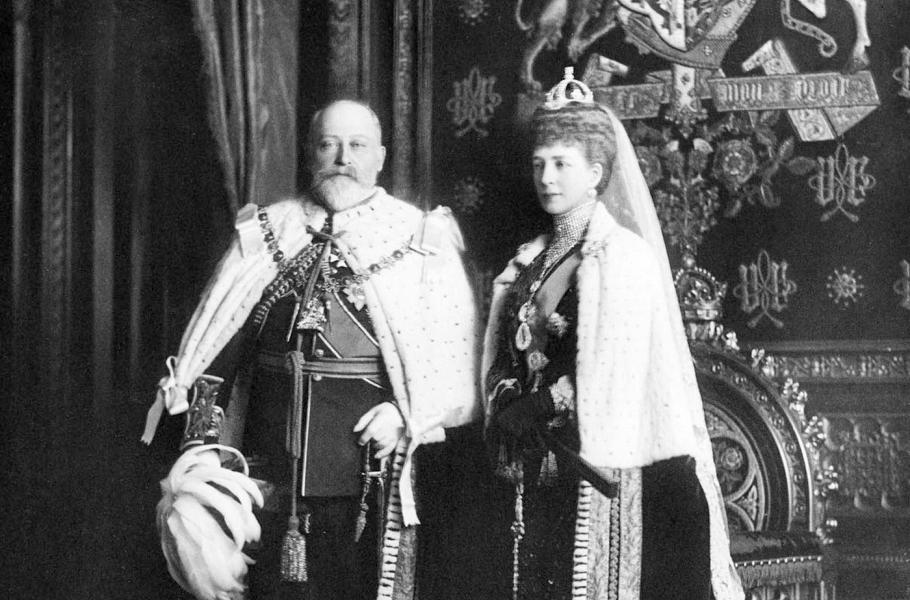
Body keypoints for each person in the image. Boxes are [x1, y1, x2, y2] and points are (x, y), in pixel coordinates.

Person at [143, 99, 480, 600]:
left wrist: (405, 415)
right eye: (329, 144)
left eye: (358, 145)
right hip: (264, 474)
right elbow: (217, 350)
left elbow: (451, 364)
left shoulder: (420, 238)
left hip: (365, 478)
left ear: (381, 157)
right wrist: (203, 449)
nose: (344, 158)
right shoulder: (267, 231)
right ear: (309, 153)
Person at [482, 69, 744, 600]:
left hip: (604, 457)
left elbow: (619, 371)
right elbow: (508, 350)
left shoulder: (621, 256)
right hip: (532, 458)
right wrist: (506, 402)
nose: (547, 177)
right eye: (539, 164)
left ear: (596, 172)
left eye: (562, 164)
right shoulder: (530, 260)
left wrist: (544, 404)